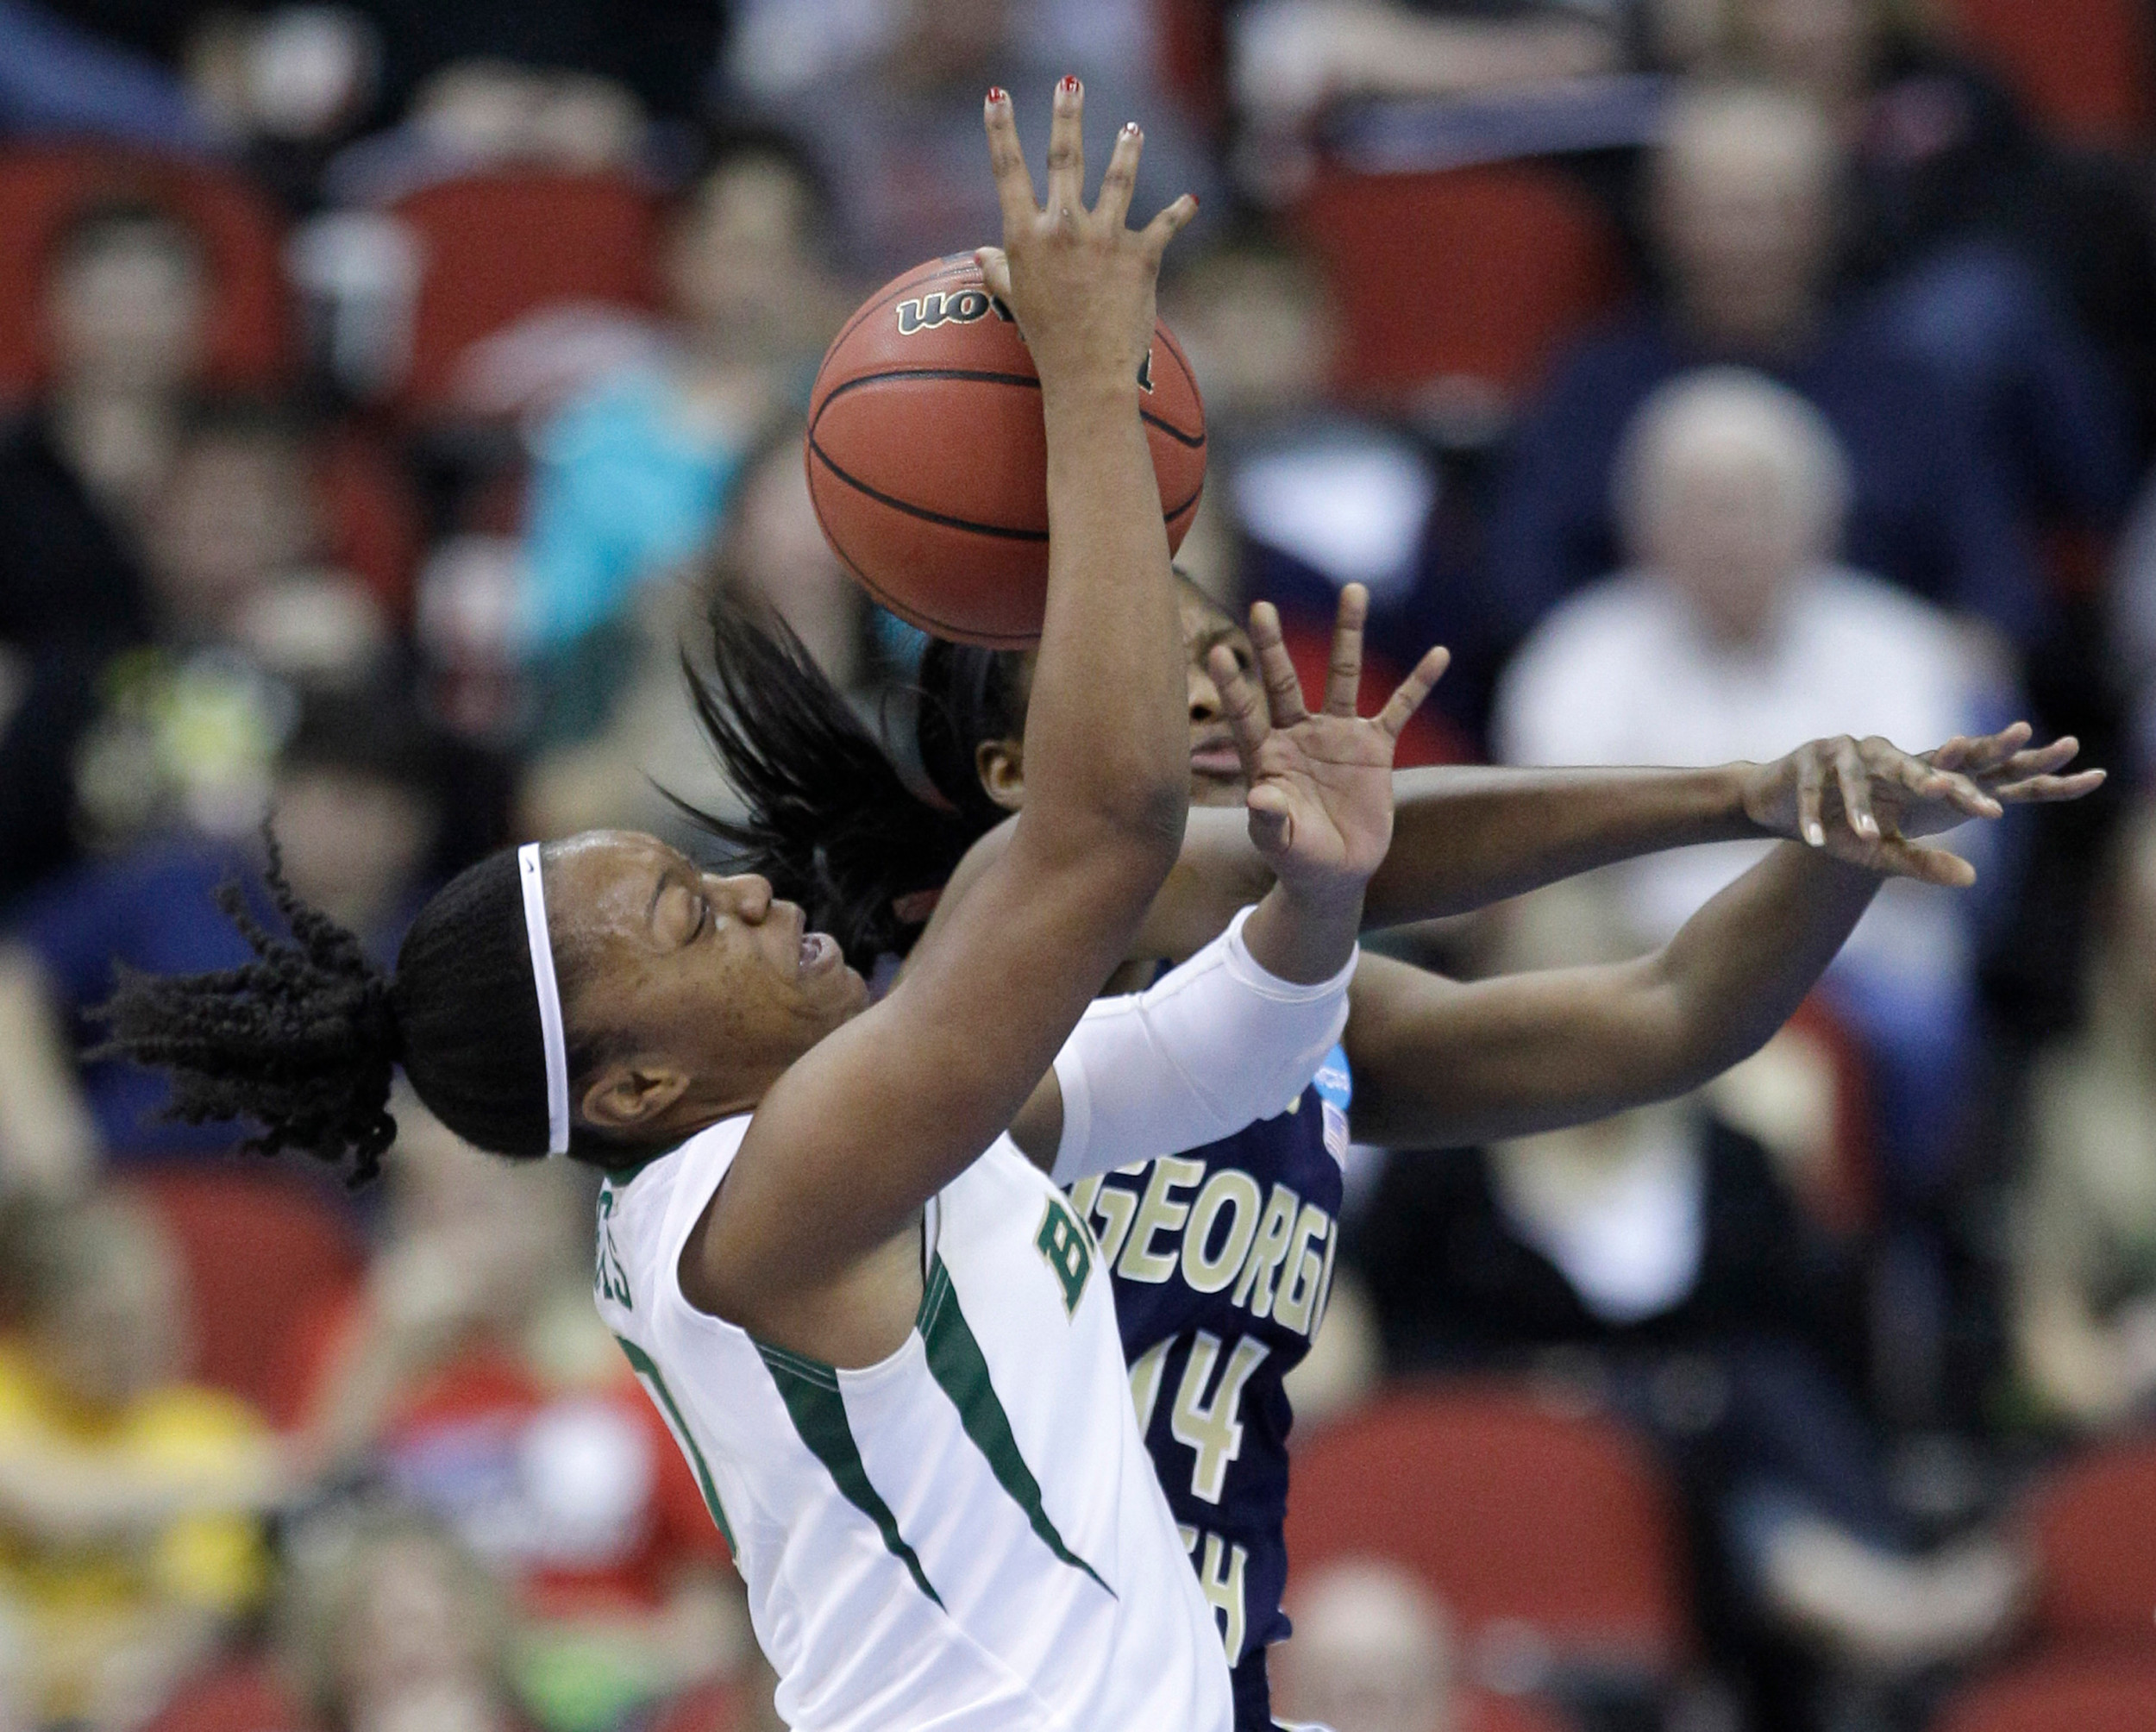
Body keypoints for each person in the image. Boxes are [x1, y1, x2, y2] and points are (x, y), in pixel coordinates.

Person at [96, 84, 1434, 1731]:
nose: (741, 887)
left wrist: (1323, 896)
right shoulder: (768, 1181)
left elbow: (1207, 1041)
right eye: (681, 915)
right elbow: (1107, 825)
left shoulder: (883, 1132)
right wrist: (1089, 378)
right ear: (637, 1087)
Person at [694, 558, 2096, 1727]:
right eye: (1139, 672)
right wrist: (1733, 788)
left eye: (1231, 661)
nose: (1206, 690)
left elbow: (1664, 1017)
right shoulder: (936, 1038)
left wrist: (1830, 840)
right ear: (1013, 773)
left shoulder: (1297, 1009)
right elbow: (1207, 850)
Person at [1493, 367, 1999, 1199]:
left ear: (1819, 518)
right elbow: (1556, 860)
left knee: (1923, 1034)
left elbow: (1948, 835)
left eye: (1754, 504)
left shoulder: (1901, 649)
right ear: (1644, 525)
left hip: (1855, 961)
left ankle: (1880, 1270)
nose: (1727, 533)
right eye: (1698, 506)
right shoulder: (1576, 658)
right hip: (1644, 964)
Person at [1483, 81, 2046, 654]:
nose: (1743, 241)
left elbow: (1996, 588)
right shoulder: (1592, 387)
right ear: (1661, 218)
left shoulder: (1905, 386)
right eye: (1717, 211)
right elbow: (1525, 586)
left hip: (1872, 717)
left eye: (1773, 209)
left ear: (1830, 218)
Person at [0, 1191, 291, 1729]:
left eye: (160, 1309)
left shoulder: (211, 1431)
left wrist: (114, 1690)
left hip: (122, 1690)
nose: (146, 1339)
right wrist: (201, 1489)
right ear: (40, 1329)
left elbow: (204, 1600)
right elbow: (42, 1504)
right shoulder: (10, 1395)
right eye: (110, 1326)